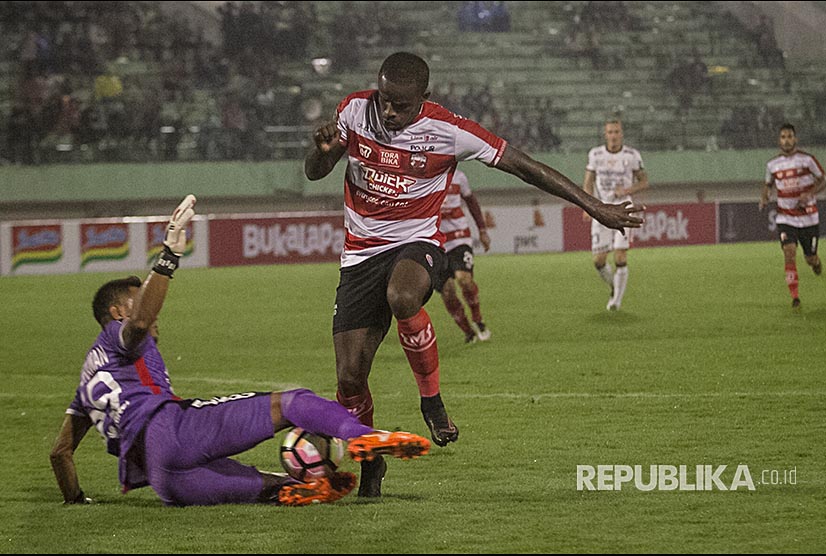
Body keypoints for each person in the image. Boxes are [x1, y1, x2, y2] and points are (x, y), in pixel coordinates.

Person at [304, 52, 643, 498]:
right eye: (384, 99)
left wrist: (592, 205)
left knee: (403, 297)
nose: (388, 111)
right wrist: (322, 153)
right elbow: (315, 172)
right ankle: (372, 459)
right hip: (359, 253)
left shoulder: (449, 130)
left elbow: (524, 166)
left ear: (424, 98)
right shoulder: (353, 110)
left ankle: (432, 401)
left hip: (416, 243)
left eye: (400, 105)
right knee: (349, 378)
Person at [49, 195, 430, 507]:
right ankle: (362, 435)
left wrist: (76, 499)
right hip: (175, 432)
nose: (149, 310)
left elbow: (60, 452)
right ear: (116, 313)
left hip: (165, 481)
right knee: (292, 403)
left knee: (271, 489)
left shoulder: (87, 382)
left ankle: (300, 484)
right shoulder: (118, 333)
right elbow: (140, 324)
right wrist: (168, 255)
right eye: (137, 299)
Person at [582, 118, 649, 311]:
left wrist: (627, 189)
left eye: (616, 132)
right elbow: (588, 181)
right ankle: (614, 286)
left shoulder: (632, 155)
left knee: (620, 257)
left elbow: (644, 181)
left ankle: (616, 302)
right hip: (601, 210)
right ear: (605, 134)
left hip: (623, 209)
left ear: (622, 134)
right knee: (598, 261)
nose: (613, 136)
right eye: (610, 132)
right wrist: (587, 205)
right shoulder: (595, 155)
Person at [760, 123, 826, 309]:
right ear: (779, 140)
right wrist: (764, 197)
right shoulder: (772, 165)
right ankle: (795, 297)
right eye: (783, 137)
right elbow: (768, 184)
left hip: (808, 218)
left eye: (789, 136)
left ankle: (816, 262)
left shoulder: (807, 160)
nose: (786, 140)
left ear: (795, 139)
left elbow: (823, 179)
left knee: (809, 258)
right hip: (785, 217)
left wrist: (810, 193)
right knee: (789, 253)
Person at [436, 169, 492, 343]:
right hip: (434, 241)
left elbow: (471, 202)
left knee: (464, 279)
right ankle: (468, 332)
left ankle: (478, 319)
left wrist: (482, 231)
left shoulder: (459, 176)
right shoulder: (421, 174)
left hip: (459, 236)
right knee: (447, 291)